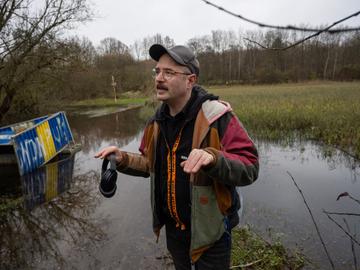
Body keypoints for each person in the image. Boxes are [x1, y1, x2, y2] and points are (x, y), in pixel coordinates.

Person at [95, 44, 259, 270]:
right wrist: (121, 158)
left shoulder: (217, 116)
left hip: (212, 232)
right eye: (157, 71)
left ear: (190, 80)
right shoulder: (156, 122)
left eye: (169, 73)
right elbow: (149, 164)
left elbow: (250, 166)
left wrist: (213, 159)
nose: (159, 78)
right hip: (175, 230)